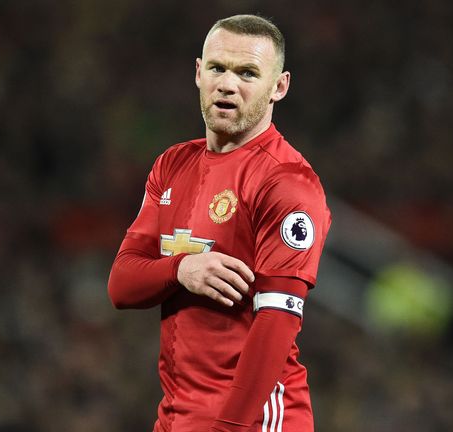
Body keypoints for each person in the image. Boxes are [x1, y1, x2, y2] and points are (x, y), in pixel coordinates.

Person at [107, 14, 331, 432]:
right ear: (198, 73)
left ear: (278, 87)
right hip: (176, 418)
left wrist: (228, 429)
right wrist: (181, 269)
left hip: (254, 422)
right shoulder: (172, 165)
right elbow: (121, 285)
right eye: (217, 68)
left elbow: (277, 322)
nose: (228, 84)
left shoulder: (288, 183)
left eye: (248, 73)